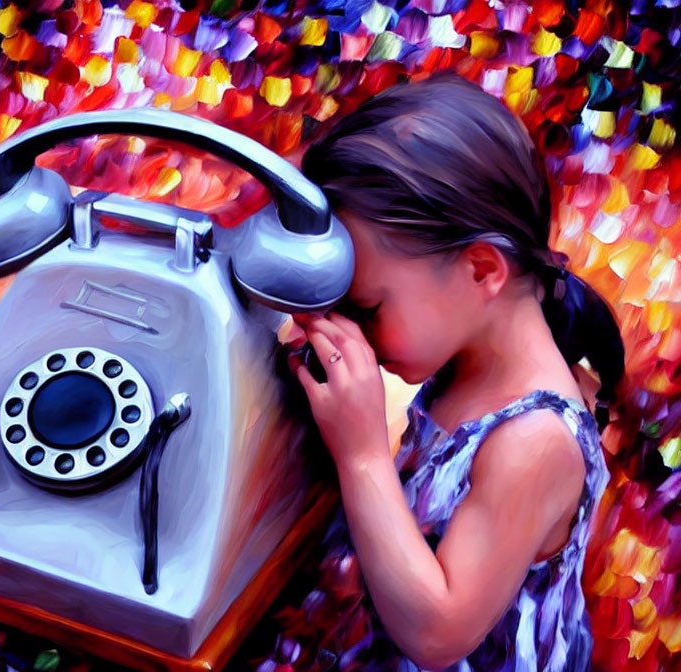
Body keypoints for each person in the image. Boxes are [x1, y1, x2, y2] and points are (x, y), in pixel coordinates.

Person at [258, 72, 626, 672]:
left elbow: (436, 635)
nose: (351, 328)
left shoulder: (535, 443)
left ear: (482, 270)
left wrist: (363, 456)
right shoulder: (468, 355)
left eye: (368, 307)